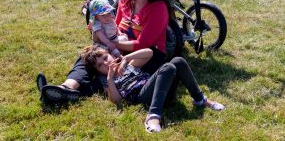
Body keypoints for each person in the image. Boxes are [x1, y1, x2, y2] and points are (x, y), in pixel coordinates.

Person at [37, 0, 170, 104]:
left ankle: (67, 94)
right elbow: (115, 26)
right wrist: (101, 35)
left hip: (146, 54)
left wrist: (110, 43)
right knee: (91, 56)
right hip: (120, 43)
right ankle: (67, 87)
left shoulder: (158, 8)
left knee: (109, 71)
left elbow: (142, 44)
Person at [81, 45, 225, 133]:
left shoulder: (129, 64)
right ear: (98, 71)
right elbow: (117, 100)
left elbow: (149, 52)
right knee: (168, 67)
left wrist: (126, 59)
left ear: (111, 55)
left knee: (178, 61)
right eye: (100, 65)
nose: (106, 64)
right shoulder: (105, 80)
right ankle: (153, 116)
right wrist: (110, 78)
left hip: (161, 92)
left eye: (106, 58)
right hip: (143, 98)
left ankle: (200, 99)